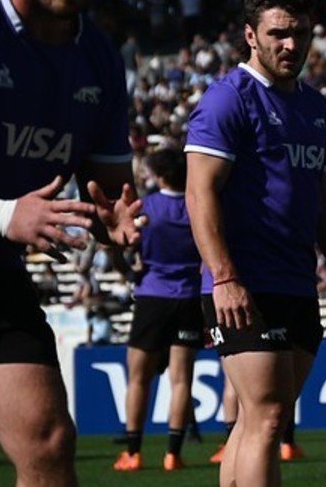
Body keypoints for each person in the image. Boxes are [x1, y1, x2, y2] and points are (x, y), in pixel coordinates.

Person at [0, 0, 143, 486]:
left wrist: (112, 222)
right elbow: (12, 214)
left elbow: (108, 189)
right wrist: (3, 214)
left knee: (49, 442)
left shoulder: (100, 59)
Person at [185, 0, 326, 487]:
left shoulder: (314, 107)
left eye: (302, 34)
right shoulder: (228, 100)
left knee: (257, 421)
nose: (292, 45)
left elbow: (324, 203)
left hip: (297, 283)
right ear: (251, 35)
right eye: (279, 34)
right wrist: (224, 277)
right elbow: (199, 192)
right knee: (268, 419)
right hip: (244, 284)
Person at [113, 147, 202, 472]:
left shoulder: (146, 207)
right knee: (181, 381)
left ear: (160, 174)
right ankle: (172, 454)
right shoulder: (198, 205)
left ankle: (133, 453)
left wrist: (126, 271)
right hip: (190, 298)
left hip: (152, 297)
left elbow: (119, 243)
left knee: (138, 379)